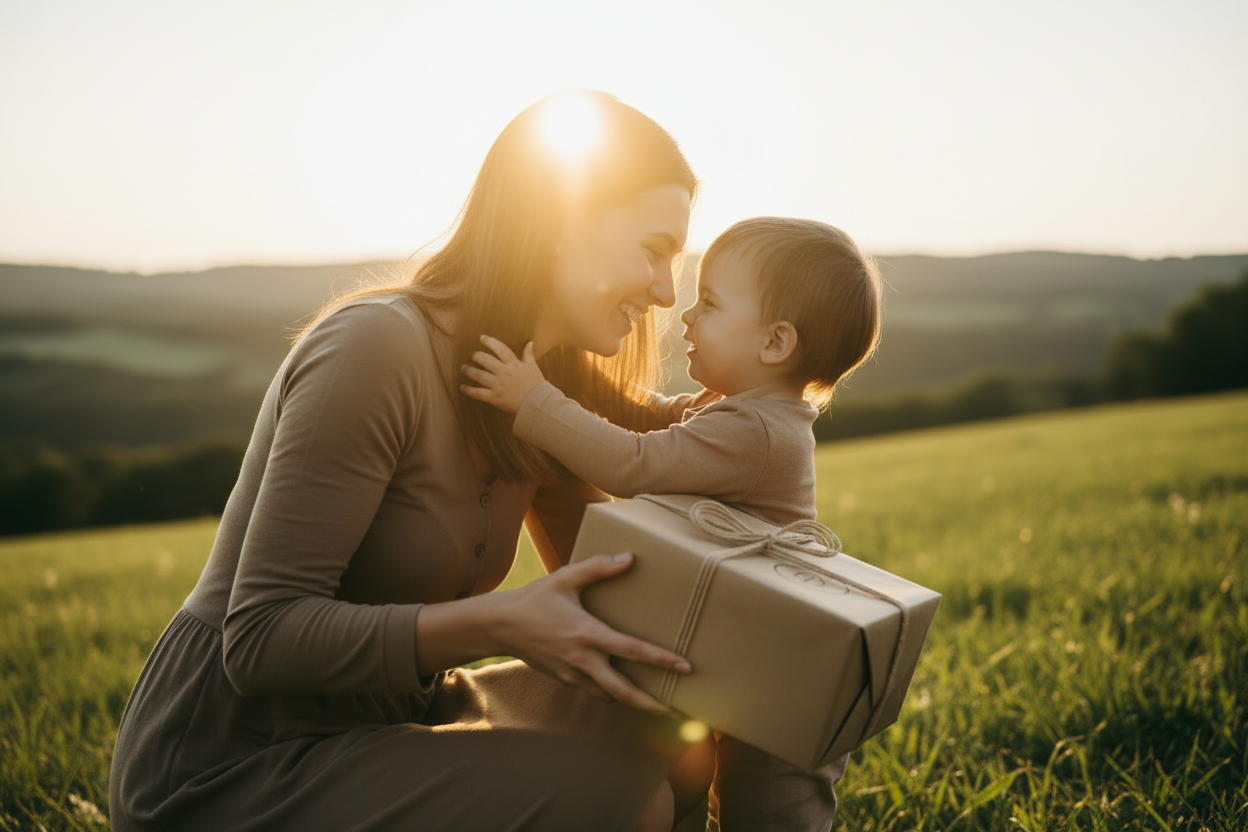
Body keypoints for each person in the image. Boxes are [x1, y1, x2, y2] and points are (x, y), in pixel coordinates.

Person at [109, 91, 715, 832]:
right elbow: (260, 642)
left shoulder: (538, 385)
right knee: (617, 800)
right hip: (237, 758)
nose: (662, 290)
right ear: (559, 225)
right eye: (654, 251)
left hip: (399, 716)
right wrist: (498, 623)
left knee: (679, 736)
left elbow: (616, 584)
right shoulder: (375, 349)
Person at [461, 216, 884, 831]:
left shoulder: (756, 433)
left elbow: (634, 463)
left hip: (784, 671)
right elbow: (645, 416)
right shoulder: (740, 412)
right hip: (747, 651)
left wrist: (534, 402)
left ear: (775, 343)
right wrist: (571, 369)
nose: (686, 316)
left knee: (771, 811)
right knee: (703, 775)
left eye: (709, 304)